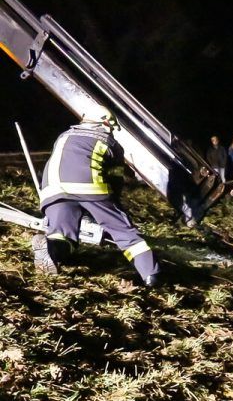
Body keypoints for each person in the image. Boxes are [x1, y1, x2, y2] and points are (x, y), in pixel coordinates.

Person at [31, 105, 161, 286]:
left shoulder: (64, 136)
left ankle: (51, 248)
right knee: (125, 232)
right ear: (106, 124)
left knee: (62, 234)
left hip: (52, 189)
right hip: (89, 186)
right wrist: (112, 207)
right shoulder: (108, 141)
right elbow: (115, 179)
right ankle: (151, 276)